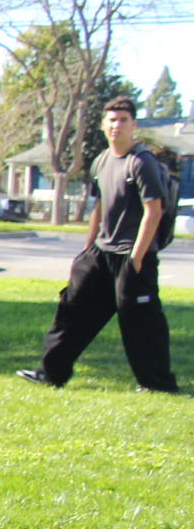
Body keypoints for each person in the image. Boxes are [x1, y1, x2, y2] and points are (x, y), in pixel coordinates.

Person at [18, 94, 178, 393]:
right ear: (103, 125)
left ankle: (156, 384)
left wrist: (136, 259)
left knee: (141, 323)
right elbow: (100, 207)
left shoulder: (141, 162)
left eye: (123, 120)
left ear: (133, 125)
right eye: (112, 120)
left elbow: (153, 211)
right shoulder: (102, 161)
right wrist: (87, 249)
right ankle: (51, 374)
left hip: (134, 256)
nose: (117, 125)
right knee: (72, 311)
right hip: (102, 253)